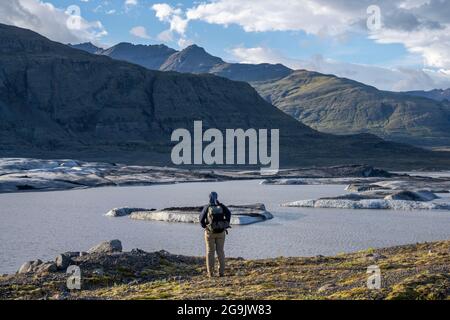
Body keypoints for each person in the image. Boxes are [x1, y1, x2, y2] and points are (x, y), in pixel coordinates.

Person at [199, 191, 231, 277]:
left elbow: (201, 219)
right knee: (220, 251)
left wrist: (205, 226)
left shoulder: (207, 207)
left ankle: (211, 273)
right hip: (221, 232)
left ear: (209, 197)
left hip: (210, 232)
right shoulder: (221, 206)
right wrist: (224, 224)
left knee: (210, 252)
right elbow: (228, 214)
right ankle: (221, 272)